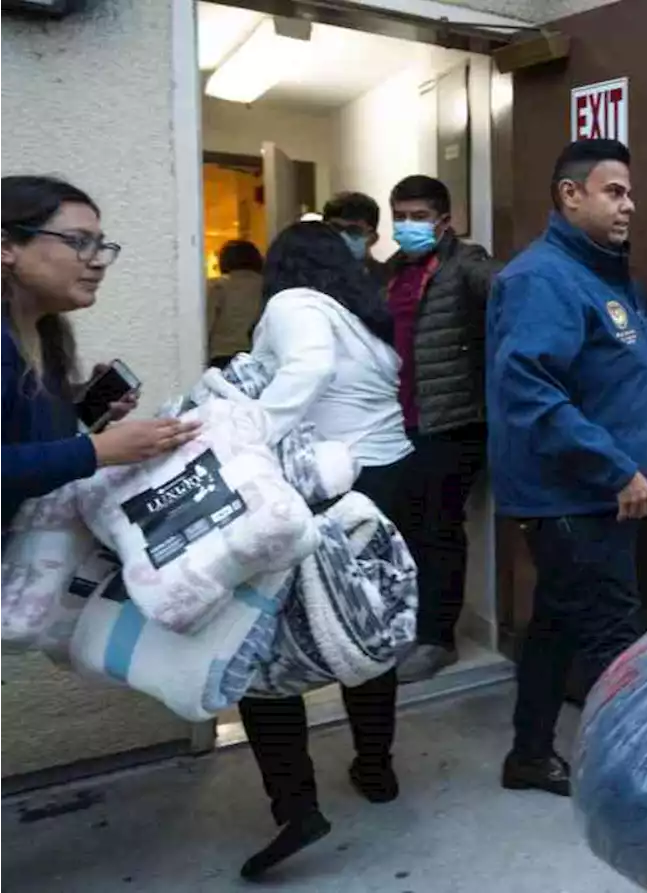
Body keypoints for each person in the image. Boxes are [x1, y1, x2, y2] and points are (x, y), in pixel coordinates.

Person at [487, 138, 647, 796]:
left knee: (552, 627)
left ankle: (528, 753)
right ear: (570, 195)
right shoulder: (539, 279)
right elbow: (531, 393)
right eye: (614, 191)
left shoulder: (604, 276)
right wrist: (614, 469)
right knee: (610, 636)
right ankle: (634, 787)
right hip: (575, 497)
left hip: (601, 494)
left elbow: (624, 349)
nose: (629, 204)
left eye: (630, 192)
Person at [233, 222, 416, 881]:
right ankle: (377, 766)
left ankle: (296, 805)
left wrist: (242, 434)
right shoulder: (357, 316)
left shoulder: (292, 305)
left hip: (325, 486)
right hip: (389, 478)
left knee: (261, 646)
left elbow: (305, 372)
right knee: (367, 625)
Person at [0, 175, 199, 528]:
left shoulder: (43, 332)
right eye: (78, 242)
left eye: (100, 246)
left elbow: (20, 431)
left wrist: (86, 407)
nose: (98, 261)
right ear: (6, 247)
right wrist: (98, 451)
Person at [384, 175, 499, 682]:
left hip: (453, 422)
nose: (407, 226)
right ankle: (409, 627)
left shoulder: (463, 264)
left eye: (418, 216)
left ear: (444, 221)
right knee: (404, 530)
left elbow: (506, 288)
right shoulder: (387, 274)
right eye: (400, 216)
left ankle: (437, 639)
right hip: (396, 421)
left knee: (440, 531)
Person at [205, 239, 265, 370]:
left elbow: (205, 325)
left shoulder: (217, 287)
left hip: (222, 357)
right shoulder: (267, 286)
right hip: (257, 357)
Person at [322, 191, 388, 284]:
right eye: (335, 228)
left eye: (353, 231)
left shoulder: (389, 281)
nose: (342, 237)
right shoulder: (310, 276)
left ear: (373, 238)